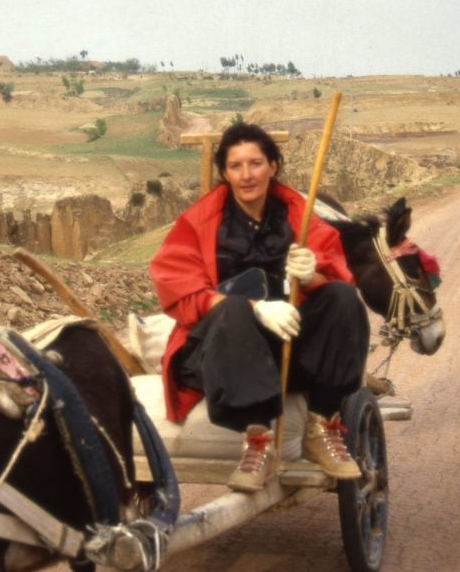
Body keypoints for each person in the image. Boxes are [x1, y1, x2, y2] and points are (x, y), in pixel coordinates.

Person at [150, 123, 370, 492]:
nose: (246, 175)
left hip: (287, 351)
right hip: (222, 354)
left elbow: (338, 276)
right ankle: (257, 441)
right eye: (236, 166)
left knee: (343, 299)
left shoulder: (296, 215)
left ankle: (321, 425)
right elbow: (178, 288)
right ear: (225, 173)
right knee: (233, 310)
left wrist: (314, 273)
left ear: (273, 166)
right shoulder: (199, 221)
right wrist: (254, 308)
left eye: (256, 163)